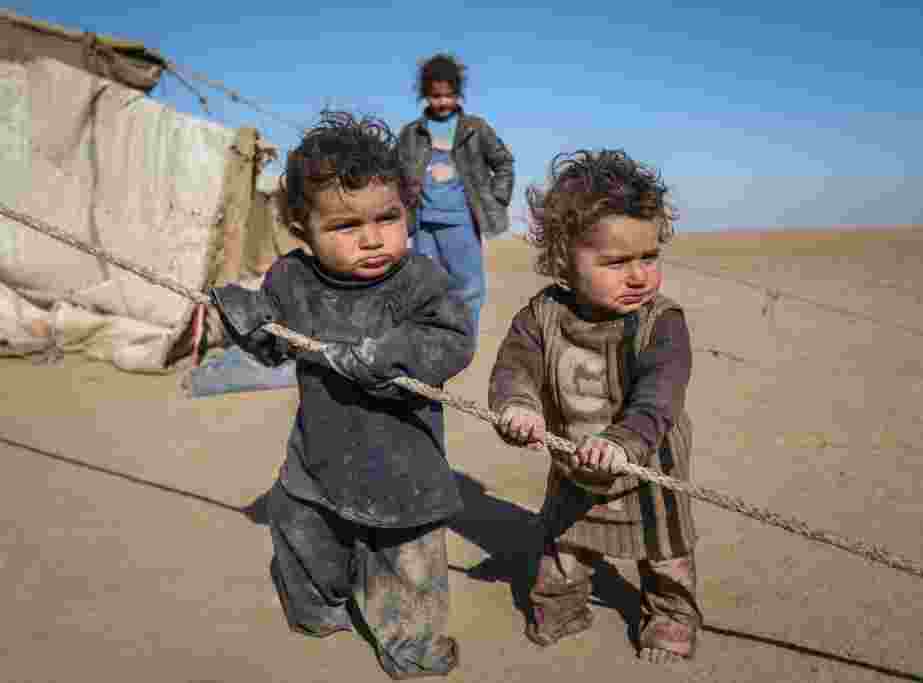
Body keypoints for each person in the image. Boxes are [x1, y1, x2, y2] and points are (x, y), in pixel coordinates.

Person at [208, 111, 473, 680]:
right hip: (319, 458)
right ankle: (321, 606)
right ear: (303, 229)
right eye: (346, 226)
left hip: (405, 467)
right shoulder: (292, 280)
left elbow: (452, 340)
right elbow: (275, 344)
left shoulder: (420, 280)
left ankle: (411, 643)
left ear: (409, 211)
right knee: (302, 535)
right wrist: (247, 319)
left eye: (388, 218)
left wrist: (388, 353)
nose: (373, 237)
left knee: (409, 566)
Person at [488, 150, 701, 666]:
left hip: (649, 465)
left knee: (665, 553)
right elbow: (513, 370)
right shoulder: (541, 316)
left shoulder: (662, 323)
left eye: (648, 258)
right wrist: (517, 408)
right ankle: (561, 604)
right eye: (615, 262)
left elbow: (659, 392)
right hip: (572, 466)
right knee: (564, 544)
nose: (638, 276)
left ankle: (670, 615)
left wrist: (623, 441)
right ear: (563, 260)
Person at [398, 52, 515, 341]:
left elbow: (503, 163)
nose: (442, 103)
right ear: (426, 95)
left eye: (448, 96)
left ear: (458, 94)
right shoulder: (411, 134)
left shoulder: (475, 129)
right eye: (436, 96)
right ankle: (433, 340)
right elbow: (395, 174)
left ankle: (464, 341)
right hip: (423, 224)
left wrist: (496, 199)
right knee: (426, 285)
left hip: (462, 221)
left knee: (468, 287)